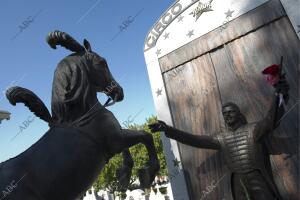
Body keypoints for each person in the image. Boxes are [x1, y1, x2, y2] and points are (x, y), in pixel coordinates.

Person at [149, 76, 289, 200]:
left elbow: (272, 119)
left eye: (230, 112)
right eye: (224, 114)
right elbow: (195, 140)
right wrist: (169, 130)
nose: (227, 116)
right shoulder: (222, 138)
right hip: (238, 182)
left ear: (239, 114)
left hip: (257, 178)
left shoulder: (254, 129)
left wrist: (280, 95)